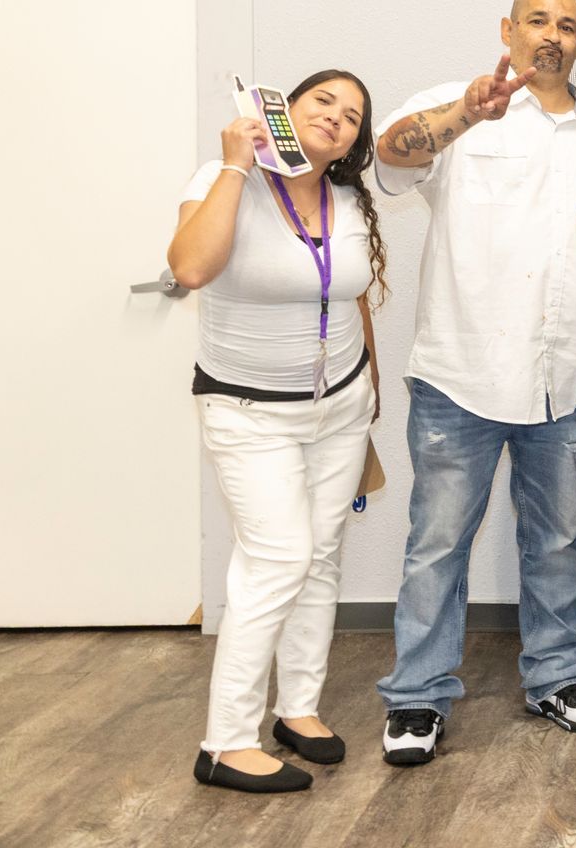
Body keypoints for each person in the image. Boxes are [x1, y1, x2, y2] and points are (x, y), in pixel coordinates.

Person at [372, 0, 576, 765]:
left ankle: (558, 676)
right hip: (461, 374)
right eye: (537, 20)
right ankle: (417, 695)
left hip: (564, 373)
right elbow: (390, 154)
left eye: (567, 25)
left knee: (556, 542)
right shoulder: (461, 106)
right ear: (507, 30)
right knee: (437, 545)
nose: (552, 34)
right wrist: (464, 114)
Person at [171, 70, 387, 793]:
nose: (336, 117)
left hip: (339, 409)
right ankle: (226, 743)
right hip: (248, 411)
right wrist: (237, 164)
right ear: (283, 111)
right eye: (322, 101)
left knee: (320, 557)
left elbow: (351, 296)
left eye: (351, 115)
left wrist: (369, 389)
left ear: (353, 143)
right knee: (278, 559)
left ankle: (297, 709)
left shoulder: (348, 198)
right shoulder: (222, 178)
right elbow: (190, 267)